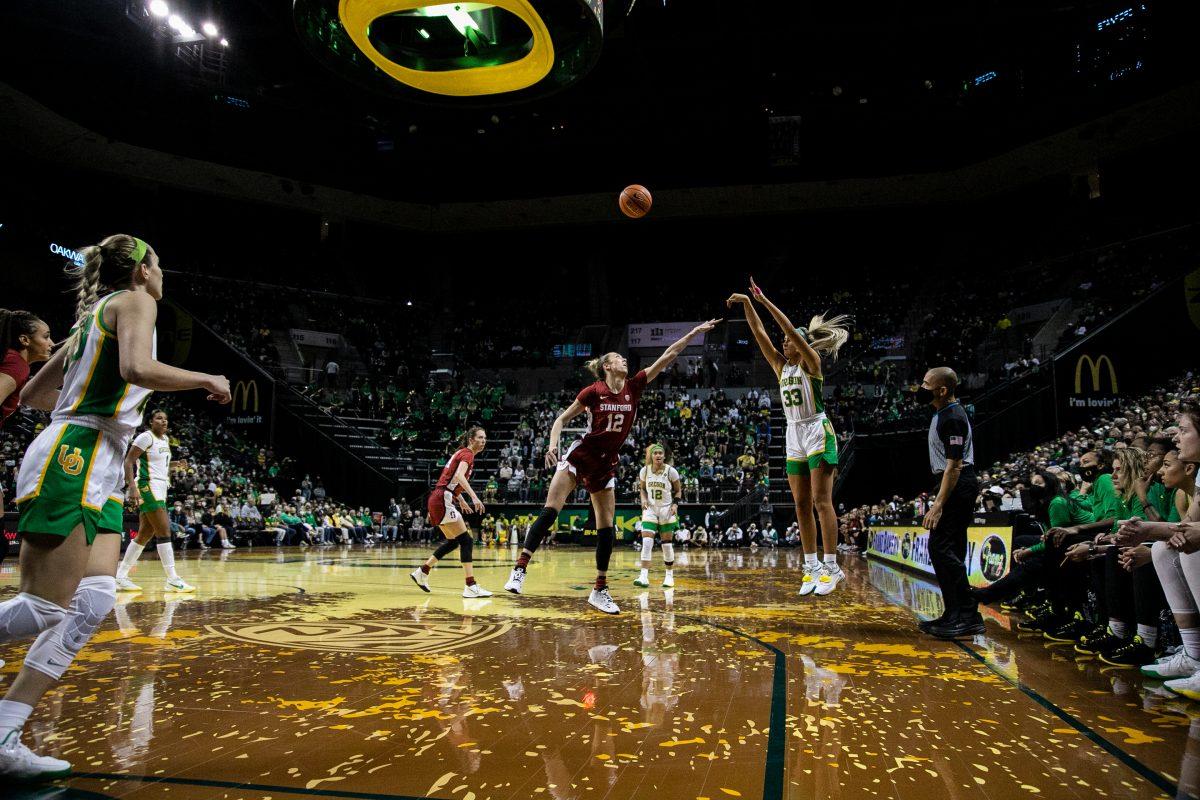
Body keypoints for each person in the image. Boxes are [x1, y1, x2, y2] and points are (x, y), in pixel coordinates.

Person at [0, 234, 229, 779]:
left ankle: (5, 730)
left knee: (96, 596)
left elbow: (32, 393)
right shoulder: (136, 301)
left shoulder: (88, 321)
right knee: (43, 608)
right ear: (142, 271)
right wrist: (205, 378)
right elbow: (135, 368)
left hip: (97, 453)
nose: (162, 275)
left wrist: (86, 407)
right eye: (160, 264)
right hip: (75, 456)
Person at [504, 321, 720, 614]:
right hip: (582, 454)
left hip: (606, 463)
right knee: (551, 509)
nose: (624, 361)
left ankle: (600, 590)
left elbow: (668, 355)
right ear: (607, 366)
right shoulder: (593, 391)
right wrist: (552, 446)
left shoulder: (634, 386)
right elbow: (560, 420)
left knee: (607, 529)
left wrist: (695, 334)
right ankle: (519, 570)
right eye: (619, 359)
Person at [727, 279, 849, 597]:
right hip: (794, 432)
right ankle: (811, 567)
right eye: (783, 341)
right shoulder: (782, 367)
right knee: (800, 504)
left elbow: (790, 332)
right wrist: (747, 305)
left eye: (788, 340)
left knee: (822, 502)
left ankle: (832, 566)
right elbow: (760, 335)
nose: (783, 344)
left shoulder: (812, 364)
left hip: (818, 430)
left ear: (800, 343)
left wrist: (765, 301)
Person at [915, 366, 983, 639]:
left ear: (942, 390)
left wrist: (938, 504)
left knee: (941, 546)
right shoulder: (943, 413)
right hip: (953, 483)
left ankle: (967, 613)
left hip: (959, 483)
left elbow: (954, 466)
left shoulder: (952, 417)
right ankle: (953, 613)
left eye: (927, 384)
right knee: (948, 548)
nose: (921, 388)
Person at [114, 410, 195, 593]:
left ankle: (121, 576)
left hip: (160, 487)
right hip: (146, 486)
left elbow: (161, 466)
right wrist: (132, 487)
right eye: (159, 418)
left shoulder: (165, 440)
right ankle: (172, 579)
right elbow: (128, 461)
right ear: (151, 421)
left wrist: (177, 465)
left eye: (166, 419)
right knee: (164, 531)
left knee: (144, 534)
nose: (164, 421)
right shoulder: (145, 437)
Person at [0, 309, 54, 574]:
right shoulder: (15, 365)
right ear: (25, 340)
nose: (51, 343)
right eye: (46, 336)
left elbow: (40, 398)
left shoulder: (16, 366)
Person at [412, 427, 492, 598]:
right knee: (467, 541)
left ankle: (423, 571)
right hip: (442, 499)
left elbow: (452, 480)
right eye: (480, 437)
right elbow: (459, 476)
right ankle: (470, 585)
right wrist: (474, 497)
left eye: (485, 437)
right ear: (471, 440)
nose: (483, 440)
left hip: (439, 497)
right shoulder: (468, 454)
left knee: (453, 542)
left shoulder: (461, 453)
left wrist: (460, 499)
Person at [635, 444, 682, 589]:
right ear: (651, 456)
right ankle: (643, 576)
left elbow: (678, 491)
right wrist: (643, 499)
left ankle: (669, 576)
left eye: (661, 453)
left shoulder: (671, 471)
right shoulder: (645, 470)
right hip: (650, 508)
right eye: (655, 453)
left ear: (664, 455)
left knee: (666, 545)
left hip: (666, 509)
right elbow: (642, 489)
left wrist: (675, 505)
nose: (658, 455)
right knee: (647, 541)